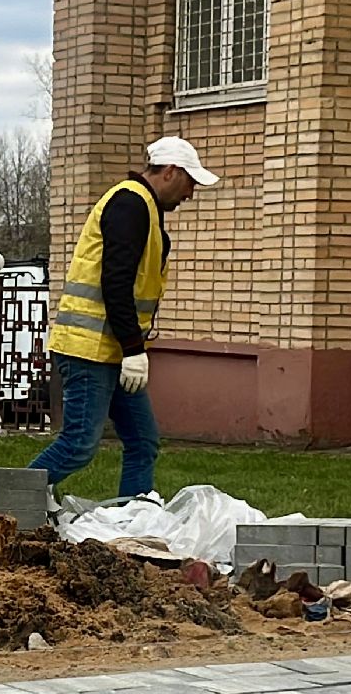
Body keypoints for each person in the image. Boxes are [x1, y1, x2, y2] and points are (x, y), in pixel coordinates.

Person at [28, 136, 216, 506]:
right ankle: (5, 500)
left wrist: (130, 349)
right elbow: (114, 282)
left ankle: (133, 520)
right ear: (171, 172)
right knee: (79, 444)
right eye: (190, 182)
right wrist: (133, 349)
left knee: (142, 441)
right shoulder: (130, 204)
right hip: (90, 350)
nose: (191, 193)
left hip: (112, 350)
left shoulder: (143, 207)